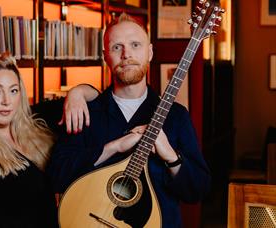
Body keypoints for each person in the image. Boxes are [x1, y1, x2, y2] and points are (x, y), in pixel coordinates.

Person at [47, 13, 211, 227]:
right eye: (117, 47)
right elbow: (56, 176)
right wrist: (114, 147)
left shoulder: (176, 116)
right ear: (106, 55)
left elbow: (198, 191)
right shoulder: (84, 113)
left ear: (150, 52)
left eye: (135, 45)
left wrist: (171, 156)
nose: (126, 54)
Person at [0, 53, 98, 228]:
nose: (7, 101)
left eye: (13, 90)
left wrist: (77, 93)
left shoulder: (34, 120)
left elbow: (97, 99)